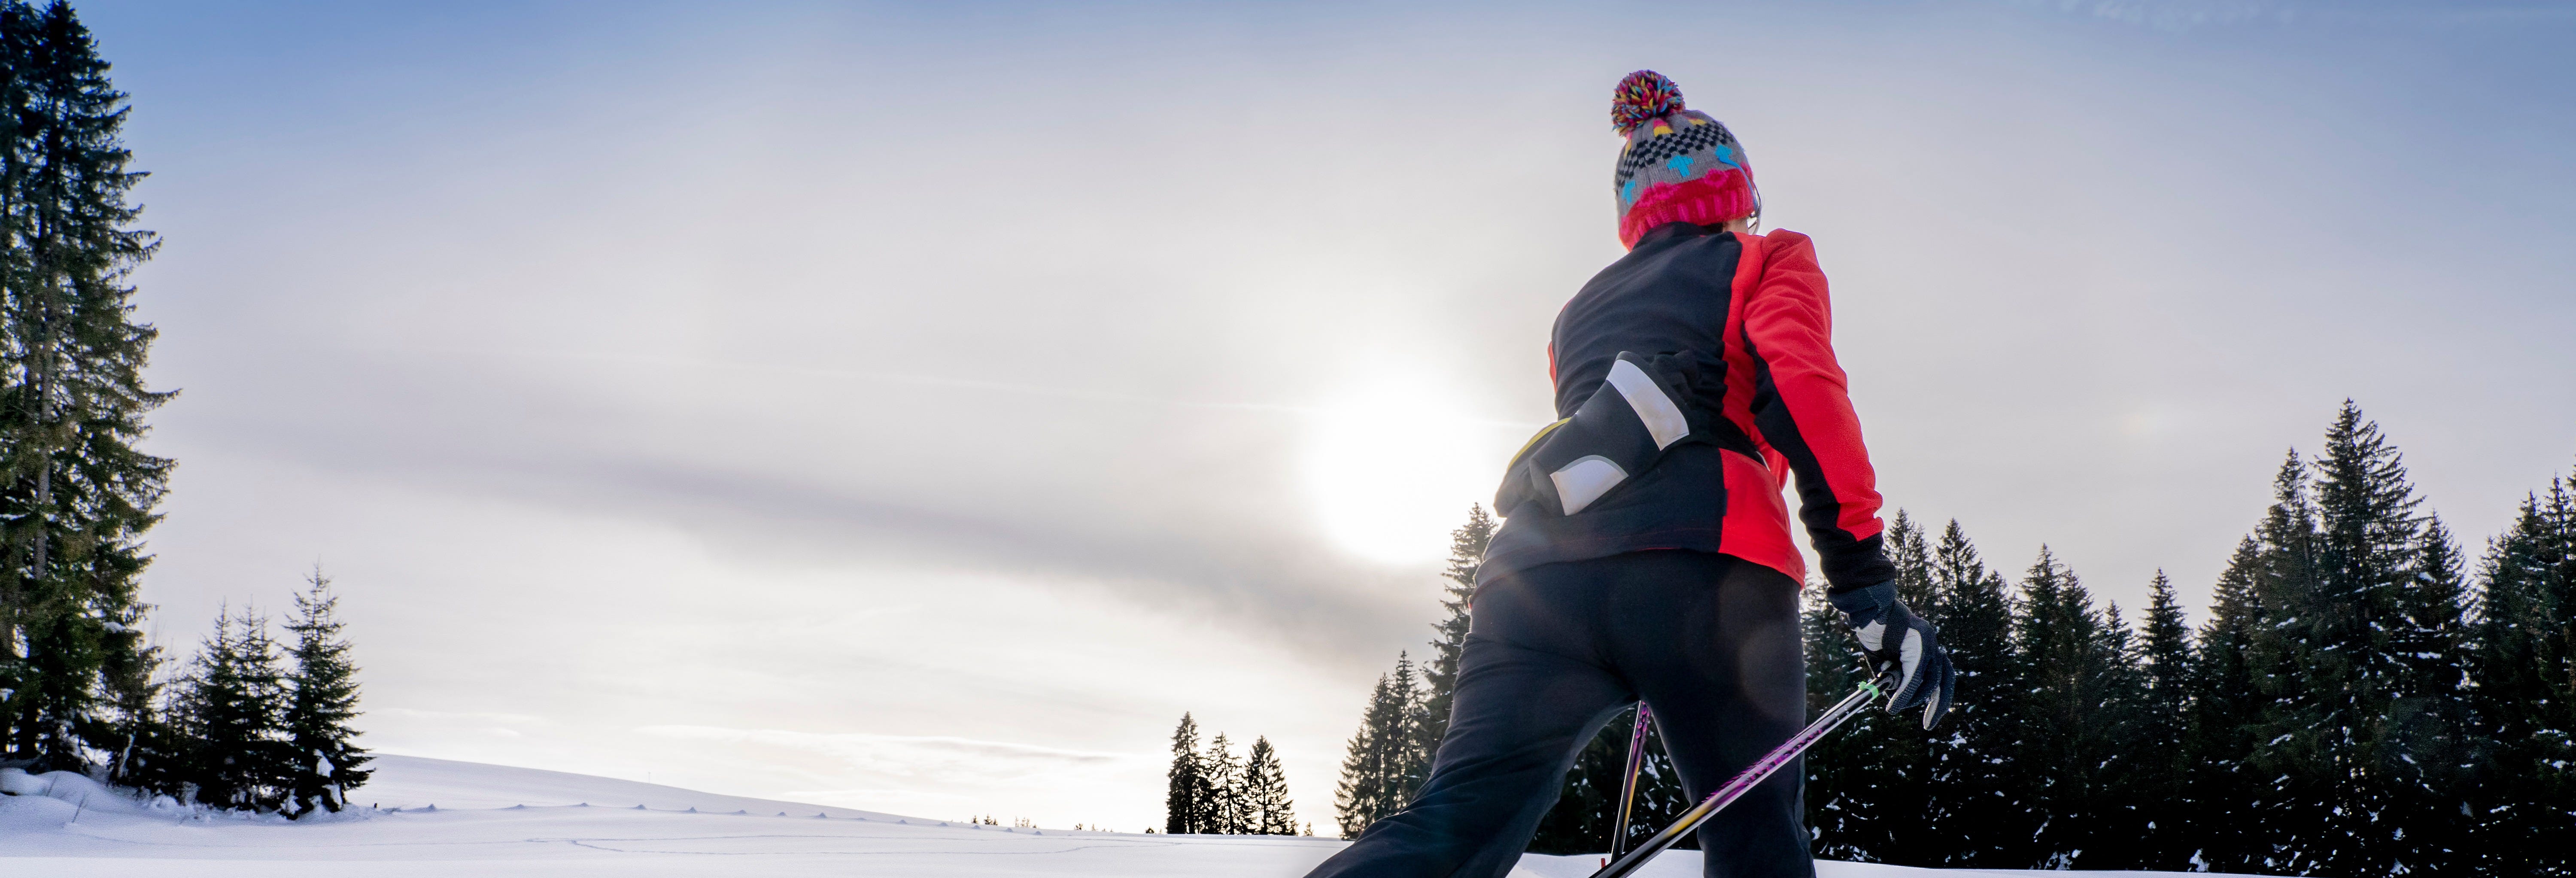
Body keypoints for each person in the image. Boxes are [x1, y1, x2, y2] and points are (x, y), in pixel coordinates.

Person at [1303, 71, 1956, 878]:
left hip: (1532, 580)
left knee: (1455, 822)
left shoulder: (1575, 313)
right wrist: (1865, 587)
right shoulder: (1766, 256)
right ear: (1736, 188)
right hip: (1709, 576)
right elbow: (1803, 389)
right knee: (1758, 841)